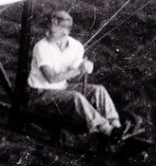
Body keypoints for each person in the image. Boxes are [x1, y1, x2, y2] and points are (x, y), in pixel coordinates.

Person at [26, 9, 130, 140]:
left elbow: (77, 72)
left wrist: (87, 66)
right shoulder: (41, 46)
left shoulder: (76, 47)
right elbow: (51, 78)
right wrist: (79, 70)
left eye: (52, 31)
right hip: (41, 94)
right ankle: (107, 131)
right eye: (47, 28)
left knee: (98, 90)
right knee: (76, 97)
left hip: (62, 89)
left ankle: (116, 126)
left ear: (66, 31)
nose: (47, 33)